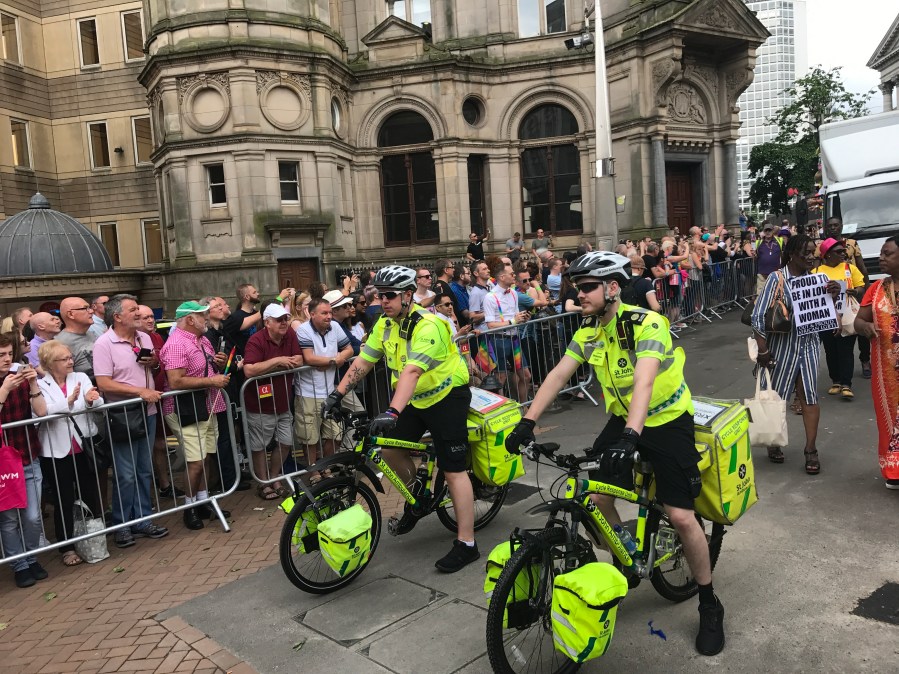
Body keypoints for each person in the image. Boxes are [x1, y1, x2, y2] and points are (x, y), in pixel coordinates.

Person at [503, 251, 724, 656]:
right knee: (596, 497)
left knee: (680, 515)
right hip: (625, 420)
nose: (579, 295)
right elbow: (558, 374)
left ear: (612, 288)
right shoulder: (590, 330)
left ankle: (709, 602)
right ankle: (627, 556)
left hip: (666, 419)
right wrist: (526, 422)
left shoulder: (647, 323)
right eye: (577, 288)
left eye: (588, 287)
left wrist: (631, 437)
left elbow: (644, 382)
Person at [322, 265, 478, 573]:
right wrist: (336, 395)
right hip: (415, 398)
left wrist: (392, 411)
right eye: (380, 295)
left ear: (408, 295)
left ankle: (467, 543)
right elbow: (364, 361)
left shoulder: (430, 325)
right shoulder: (384, 324)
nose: (384, 301)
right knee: (390, 449)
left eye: (390, 295)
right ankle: (417, 498)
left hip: (447, 396)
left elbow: (412, 371)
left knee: (453, 470)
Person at [93, 294, 169, 548]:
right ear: (117, 317)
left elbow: (152, 368)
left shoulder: (144, 338)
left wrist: (155, 363)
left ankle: (143, 519)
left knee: (144, 469)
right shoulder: (104, 344)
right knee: (125, 474)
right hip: (123, 415)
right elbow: (104, 383)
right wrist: (140, 392)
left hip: (148, 411)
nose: (139, 313)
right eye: (133, 310)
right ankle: (122, 525)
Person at [752, 235, 823, 474]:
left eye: (813, 252)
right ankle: (773, 441)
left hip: (809, 346)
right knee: (777, 396)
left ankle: (811, 450)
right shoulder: (777, 278)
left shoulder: (815, 279)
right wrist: (763, 350)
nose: (811, 256)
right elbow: (758, 316)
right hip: (782, 348)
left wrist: (831, 297)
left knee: (809, 396)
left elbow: (822, 314)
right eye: (807, 252)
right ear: (792, 254)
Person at [159, 302, 232, 530]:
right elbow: (175, 381)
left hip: (206, 405)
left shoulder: (202, 340)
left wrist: (218, 363)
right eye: (202, 315)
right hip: (186, 409)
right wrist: (211, 380)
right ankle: (189, 508)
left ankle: (202, 501)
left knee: (206, 457)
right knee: (196, 462)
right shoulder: (176, 344)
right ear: (190, 319)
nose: (206, 318)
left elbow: (206, 368)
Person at [37, 340, 103, 567]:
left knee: (89, 493)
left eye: (70, 357)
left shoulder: (80, 377)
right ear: (49, 363)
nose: (70, 361)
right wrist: (70, 402)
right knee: (63, 499)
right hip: (55, 451)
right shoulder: (40, 385)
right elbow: (41, 413)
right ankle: (67, 547)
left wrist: (90, 400)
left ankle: (94, 539)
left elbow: (96, 401)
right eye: (64, 359)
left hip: (83, 446)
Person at [0, 335, 48, 588]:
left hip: (27, 453)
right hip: (3, 463)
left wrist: (32, 384)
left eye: (9, 353)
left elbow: (41, 411)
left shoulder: (20, 375)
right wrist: (4, 390)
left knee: (32, 516)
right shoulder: (8, 383)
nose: (7, 359)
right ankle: (19, 564)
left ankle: (31, 557)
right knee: (8, 519)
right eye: (1, 355)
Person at [242, 303, 303, 500]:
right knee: (259, 445)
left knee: (286, 442)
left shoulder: (289, 334)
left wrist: (271, 366)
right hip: (260, 404)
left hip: (283, 401)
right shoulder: (256, 340)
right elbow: (249, 369)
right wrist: (278, 361)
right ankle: (264, 483)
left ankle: (274, 476)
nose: (284, 322)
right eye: (279, 320)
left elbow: (299, 360)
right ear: (267, 322)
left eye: (285, 318)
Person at [854, 236, 899, 488]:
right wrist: (866, 326)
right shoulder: (876, 289)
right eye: (881, 253)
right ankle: (895, 470)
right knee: (890, 419)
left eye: (887, 253)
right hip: (886, 372)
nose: (881, 258)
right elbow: (858, 321)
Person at [294, 298, 354, 469]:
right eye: (324, 313)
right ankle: (313, 472)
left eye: (330, 312)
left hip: (330, 391)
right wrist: (334, 361)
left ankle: (325, 468)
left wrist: (338, 358)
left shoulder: (335, 326)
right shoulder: (303, 330)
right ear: (312, 314)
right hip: (307, 392)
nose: (329, 316)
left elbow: (349, 349)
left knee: (335, 434)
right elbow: (309, 358)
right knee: (310, 438)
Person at [813, 238, 866, 401]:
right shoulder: (816, 272)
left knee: (846, 350)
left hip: (847, 316)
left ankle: (846, 384)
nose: (843, 253)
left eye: (843, 251)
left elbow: (861, 286)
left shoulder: (850, 268)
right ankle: (835, 380)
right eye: (838, 251)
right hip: (825, 317)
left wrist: (855, 292)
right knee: (830, 350)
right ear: (827, 254)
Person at [819, 217, 871, 379]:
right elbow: (816, 273)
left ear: (841, 226)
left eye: (836, 225)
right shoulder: (821, 249)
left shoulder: (852, 244)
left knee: (860, 332)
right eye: (830, 226)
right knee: (834, 344)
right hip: (831, 308)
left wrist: (863, 293)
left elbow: (862, 268)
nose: (833, 228)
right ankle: (838, 378)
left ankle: (865, 360)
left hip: (853, 296)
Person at [484, 262, 532, 402]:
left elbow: (515, 316)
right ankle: (503, 410)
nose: (514, 276)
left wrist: (523, 318)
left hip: (514, 339)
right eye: (511, 274)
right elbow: (490, 325)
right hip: (498, 340)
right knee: (501, 378)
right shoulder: (490, 297)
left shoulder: (514, 293)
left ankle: (524, 406)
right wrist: (513, 321)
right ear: (502, 277)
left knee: (526, 375)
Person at [55, 297, 99, 380]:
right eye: (85, 308)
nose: (91, 311)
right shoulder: (60, 343)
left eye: (89, 307)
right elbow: (61, 379)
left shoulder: (91, 334)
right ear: (70, 314)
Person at [755, 224, 782, 294]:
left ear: (773, 231)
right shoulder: (758, 242)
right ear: (764, 231)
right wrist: (754, 255)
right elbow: (755, 256)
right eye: (766, 230)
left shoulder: (779, 240)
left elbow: (784, 254)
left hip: (776, 274)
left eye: (769, 230)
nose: (768, 232)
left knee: (775, 295)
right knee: (760, 295)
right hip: (762, 275)